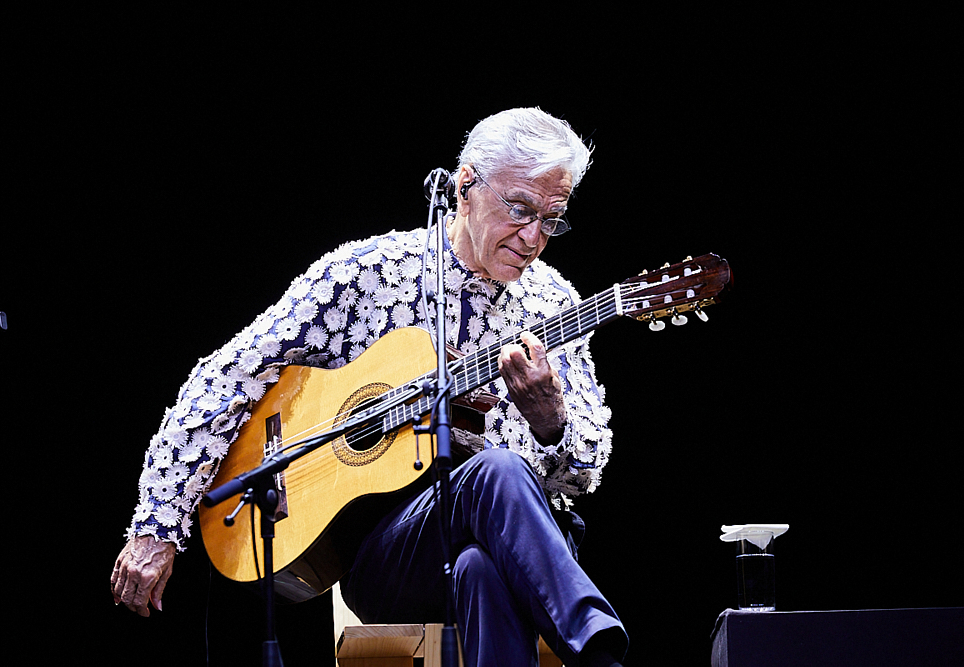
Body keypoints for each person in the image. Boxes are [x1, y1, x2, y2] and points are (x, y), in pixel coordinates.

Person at [111, 107, 627, 667]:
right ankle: (598, 647)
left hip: (515, 556)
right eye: (520, 209)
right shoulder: (370, 274)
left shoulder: (555, 305)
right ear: (466, 185)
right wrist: (158, 524)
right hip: (390, 558)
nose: (533, 237)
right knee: (497, 471)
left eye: (552, 219)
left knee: (483, 562)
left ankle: (590, 639)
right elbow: (224, 379)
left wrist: (549, 417)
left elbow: (584, 471)